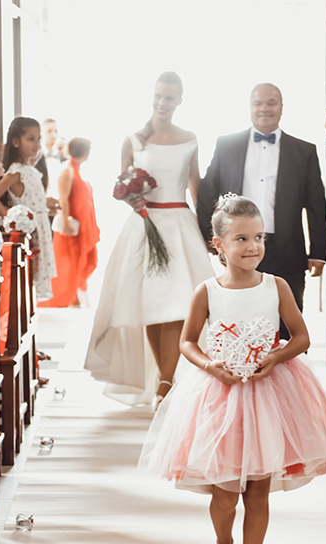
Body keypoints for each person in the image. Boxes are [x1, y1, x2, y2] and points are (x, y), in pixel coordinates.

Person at [138, 195, 326, 544]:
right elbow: (187, 342)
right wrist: (210, 365)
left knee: (257, 489)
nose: (253, 246)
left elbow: (301, 336)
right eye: (241, 239)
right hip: (221, 394)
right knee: (224, 491)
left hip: (270, 393)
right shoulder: (207, 291)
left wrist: (275, 357)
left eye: (258, 237)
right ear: (217, 244)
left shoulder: (277, 286)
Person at [85, 71, 215, 407]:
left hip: (180, 225)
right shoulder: (133, 139)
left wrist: (209, 233)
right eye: (158, 96)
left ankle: (168, 382)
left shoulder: (190, 139)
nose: (162, 103)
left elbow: (195, 186)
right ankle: (165, 379)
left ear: (179, 101)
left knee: (177, 307)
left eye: (169, 97)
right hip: (145, 226)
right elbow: (121, 186)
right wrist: (132, 198)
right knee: (149, 307)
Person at [197, 83, 326, 317]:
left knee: (289, 322)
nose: (264, 108)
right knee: (239, 317)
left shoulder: (304, 151)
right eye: (258, 103)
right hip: (238, 246)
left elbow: (316, 204)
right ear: (250, 107)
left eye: (271, 103)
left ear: (281, 108)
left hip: (287, 249)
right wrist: (212, 239)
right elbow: (207, 193)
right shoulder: (226, 145)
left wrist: (318, 251)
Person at [0, 116, 56, 300]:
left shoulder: (31, 170)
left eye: (38, 139)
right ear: (16, 142)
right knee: (27, 275)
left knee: (34, 276)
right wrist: (14, 219)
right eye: (31, 138)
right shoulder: (16, 171)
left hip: (41, 228)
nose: (36, 143)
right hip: (30, 232)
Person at [41, 136, 99, 307]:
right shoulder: (67, 170)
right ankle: (67, 295)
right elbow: (64, 198)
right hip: (71, 224)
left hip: (83, 222)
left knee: (77, 260)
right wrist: (65, 221)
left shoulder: (78, 170)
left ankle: (74, 294)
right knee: (68, 260)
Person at [41, 117, 67, 198]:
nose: (53, 135)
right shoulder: (36, 158)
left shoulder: (63, 159)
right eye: (49, 131)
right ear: (42, 133)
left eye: (56, 131)